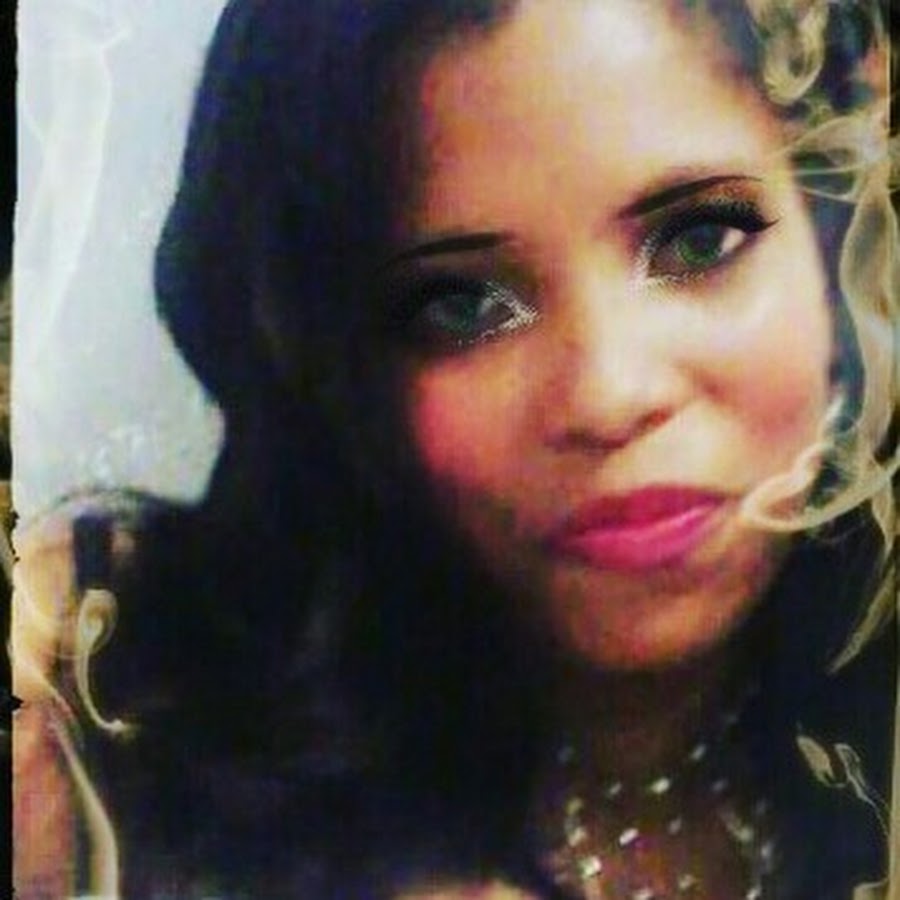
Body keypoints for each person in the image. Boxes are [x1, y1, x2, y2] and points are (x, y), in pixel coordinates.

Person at [13, 0, 896, 897]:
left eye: (700, 240)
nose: (609, 395)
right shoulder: (93, 708)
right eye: (465, 307)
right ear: (332, 360)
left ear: (840, 232)